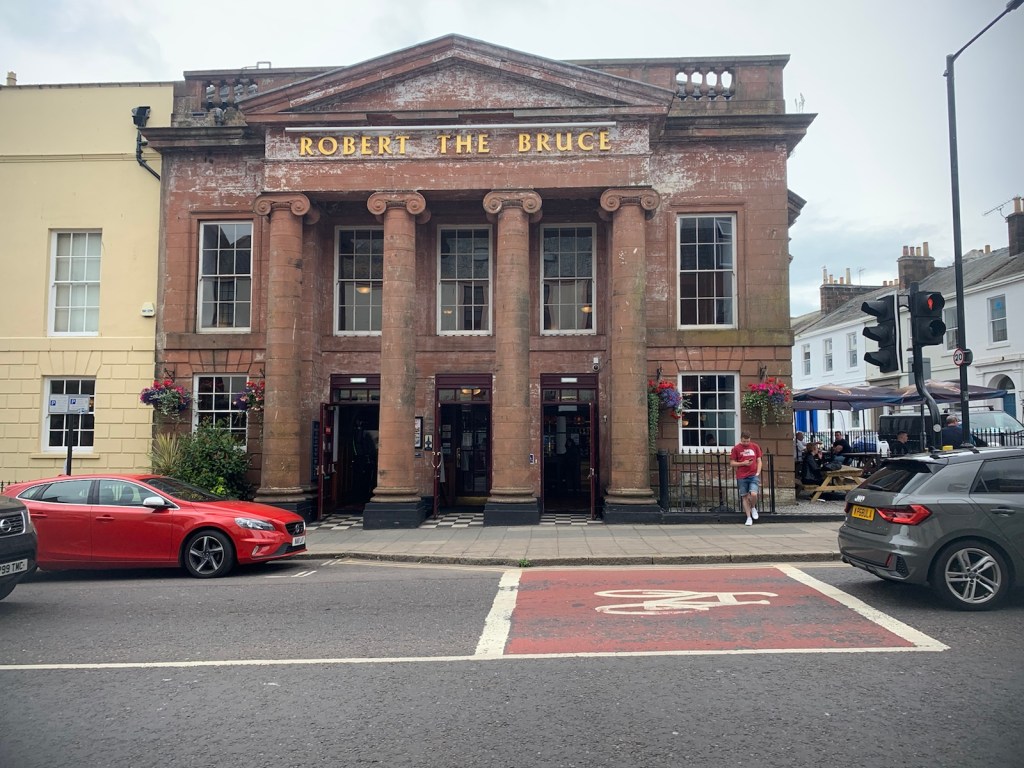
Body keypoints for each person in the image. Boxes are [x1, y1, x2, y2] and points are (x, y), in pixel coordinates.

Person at [729, 431, 762, 526]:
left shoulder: (755, 446)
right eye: (744, 441)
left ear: (750, 439)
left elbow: (759, 460)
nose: (746, 443)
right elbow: (732, 463)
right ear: (741, 439)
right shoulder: (736, 448)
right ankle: (748, 517)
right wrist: (743, 463)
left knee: (754, 493)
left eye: (747, 441)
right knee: (744, 496)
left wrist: (758, 472)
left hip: (753, 474)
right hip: (742, 475)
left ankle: (753, 507)